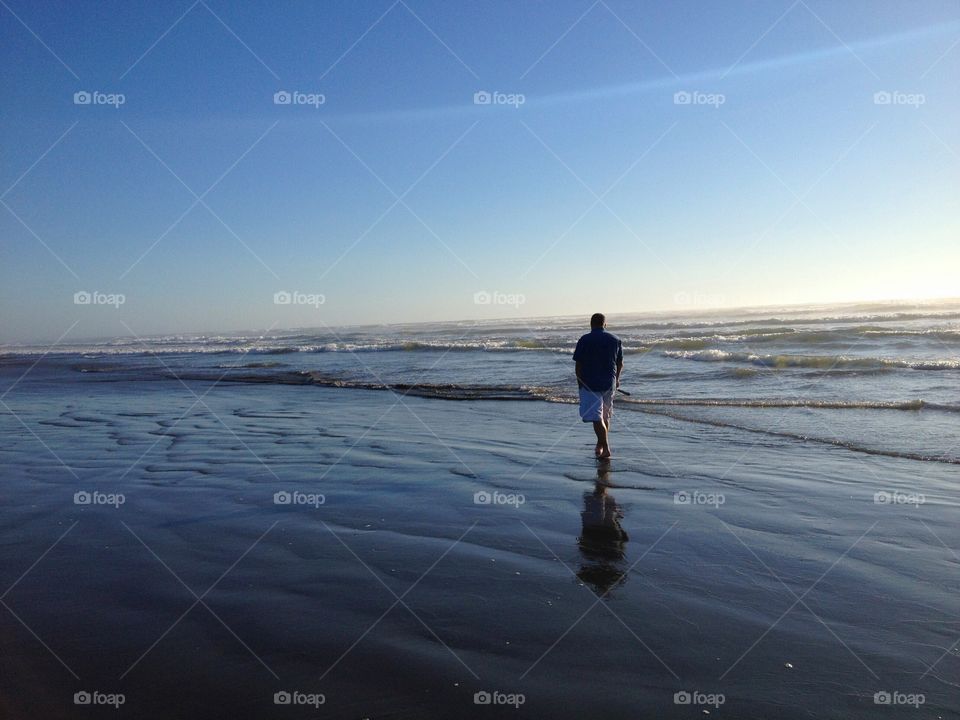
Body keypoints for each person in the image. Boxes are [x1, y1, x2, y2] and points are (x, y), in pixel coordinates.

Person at [573, 313, 623, 459]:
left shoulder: (584, 339)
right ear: (605, 324)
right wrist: (617, 379)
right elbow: (620, 363)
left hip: (590, 383)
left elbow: (578, 364)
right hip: (609, 383)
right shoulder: (615, 339)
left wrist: (579, 383)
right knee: (604, 416)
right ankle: (600, 444)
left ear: (591, 324)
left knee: (596, 417)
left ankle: (606, 447)